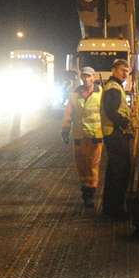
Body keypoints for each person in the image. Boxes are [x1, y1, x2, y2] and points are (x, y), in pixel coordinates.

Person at [60, 67, 103, 209]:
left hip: (95, 136)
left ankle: (90, 193)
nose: (86, 79)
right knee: (81, 166)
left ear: (94, 77)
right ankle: (85, 190)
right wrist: (65, 130)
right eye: (83, 76)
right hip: (79, 136)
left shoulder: (101, 93)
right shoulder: (74, 95)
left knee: (92, 165)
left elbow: (105, 114)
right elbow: (68, 114)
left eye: (88, 76)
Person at [100, 58, 134, 218]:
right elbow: (111, 111)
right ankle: (115, 209)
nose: (125, 74)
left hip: (116, 133)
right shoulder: (113, 88)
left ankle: (111, 207)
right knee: (119, 171)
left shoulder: (116, 86)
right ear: (114, 70)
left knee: (115, 170)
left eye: (127, 71)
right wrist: (126, 122)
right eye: (122, 70)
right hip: (115, 133)